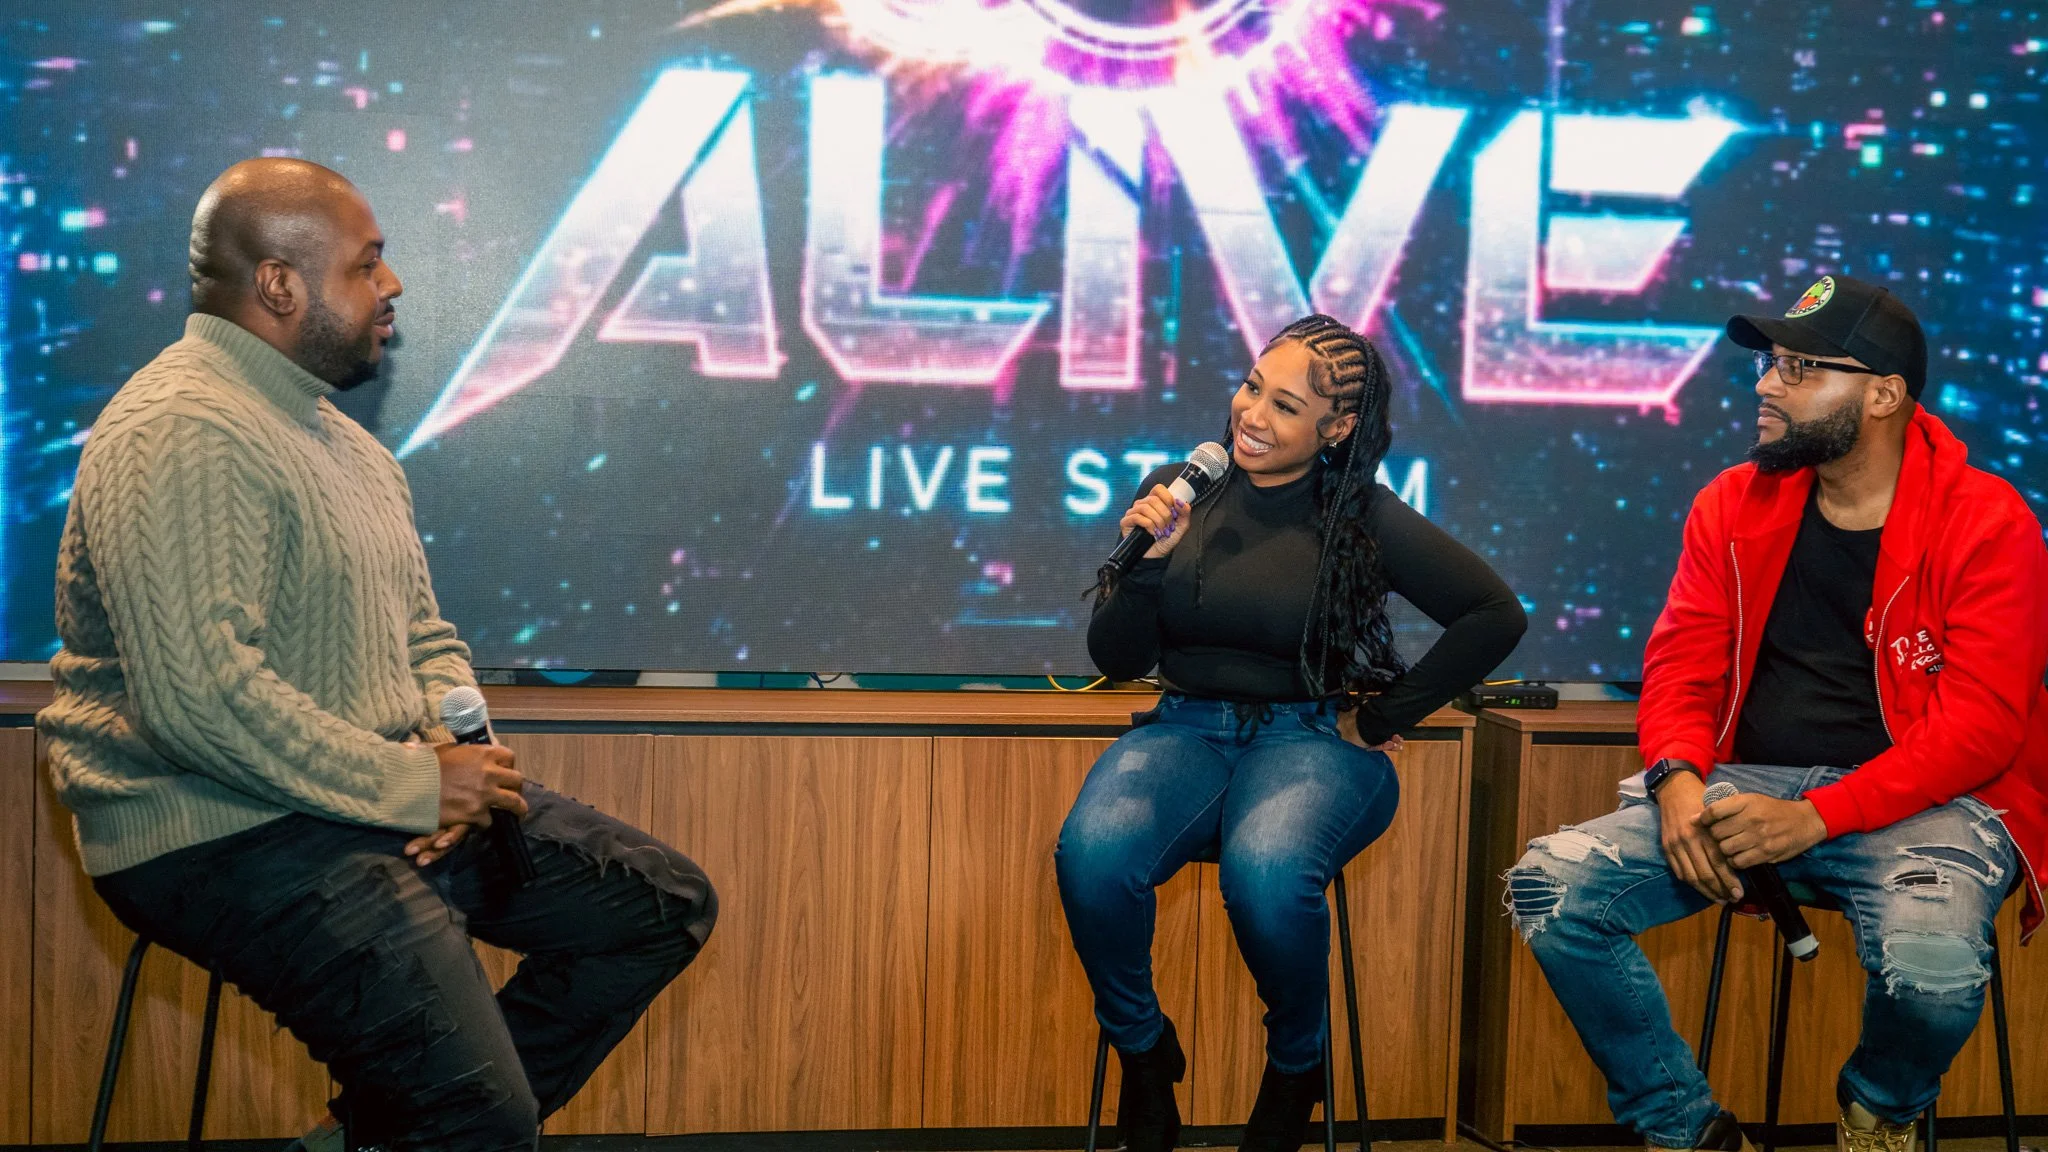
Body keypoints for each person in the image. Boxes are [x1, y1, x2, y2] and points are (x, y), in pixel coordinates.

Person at [37, 158, 716, 1150]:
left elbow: (424, 636)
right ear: (279, 284)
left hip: (362, 794)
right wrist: (408, 785)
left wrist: (455, 758)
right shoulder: (182, 427)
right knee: (477, 1116)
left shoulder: (346, 447)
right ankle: (446, 1124)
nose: (392, 285)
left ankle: (380, 1134)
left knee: (656, 908)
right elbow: (200, 702)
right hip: (220, 832)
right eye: (368, 264)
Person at [1510, 274, 2048, 1152]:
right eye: (1768, 363)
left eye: (1799, 367)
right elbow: (1681, 665)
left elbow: (1981, 728)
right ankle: (1687, 1132)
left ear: (1883, 395)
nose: (1766, 384)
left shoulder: (1988, 521)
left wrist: (1814, 818)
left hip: (1928, 804)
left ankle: (1877, 1110)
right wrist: (1677, 779)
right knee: (1550, 887)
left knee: (1937, 976)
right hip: (1744, 792)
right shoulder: (1731, 501)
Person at [1059, 314, 1527, 1152]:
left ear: (1336, 428)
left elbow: (1493, 615)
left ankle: (1295, 1064)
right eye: (1250, 388)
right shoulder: (1185, 490)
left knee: (1267, 872)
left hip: (1310, 741)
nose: (1252, 415)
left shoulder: (1361, 514)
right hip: (1185, 731)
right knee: (1092, 857)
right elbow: (1116, 658)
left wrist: (1382, 714)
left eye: (1283, 404)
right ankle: (1143, 1051)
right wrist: (1151, 562)